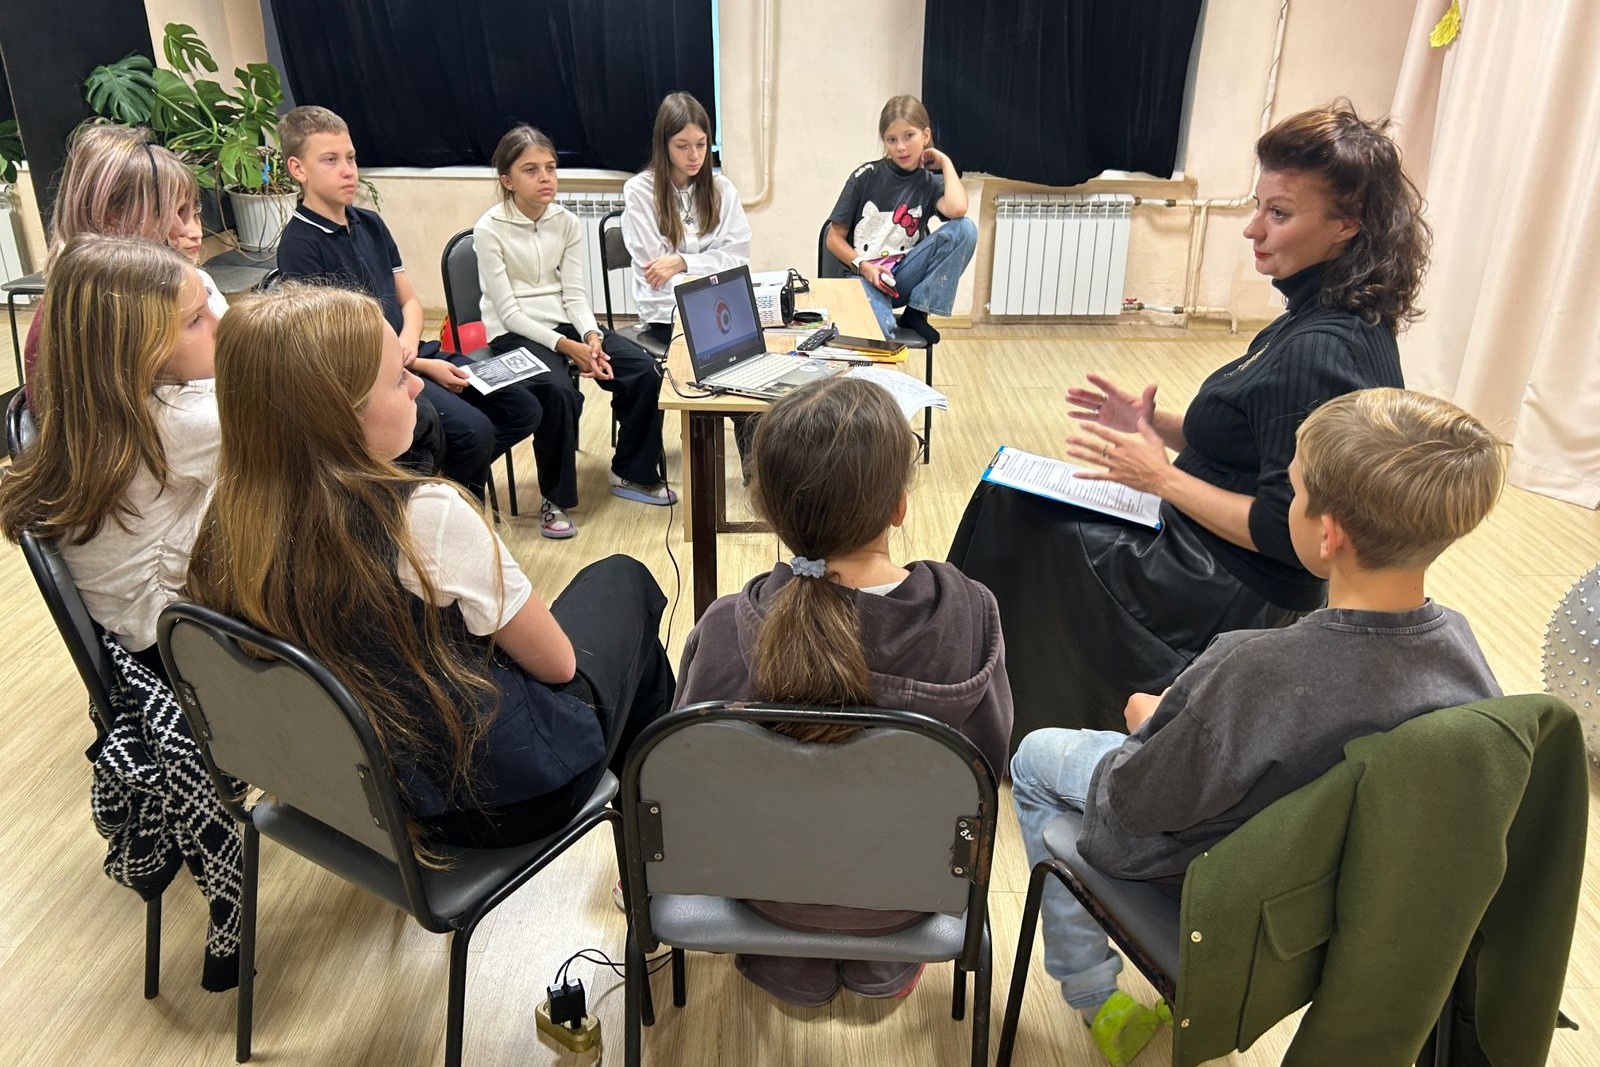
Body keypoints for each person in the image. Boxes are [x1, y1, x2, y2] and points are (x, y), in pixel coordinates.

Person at [1009, 387, 1506, 1065]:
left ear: (1327, 533)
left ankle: (1095, 993)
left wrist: (1150, 723)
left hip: (1207, 878)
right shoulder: (1462, 651)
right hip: (1327, 902)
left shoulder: (1253, 666)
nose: (1285, 502)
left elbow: (1136, 801)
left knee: (1036, 756)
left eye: (1292, 492)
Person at [949, 100, 1433, 741]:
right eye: (1258, 206)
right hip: (1204, 549)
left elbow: (1294, 538)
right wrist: (1162, 425)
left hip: (1222, 586)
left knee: (1015, 512)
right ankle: (995, 701)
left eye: (1279, 213)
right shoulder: (1329, 316)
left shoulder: (1321, 350)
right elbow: (1259, 436)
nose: (1252, 228)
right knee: (1016, 493)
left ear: (1347, 225)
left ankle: (992, 714)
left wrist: (1162, 478)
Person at [185, 282, 676, 850]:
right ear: (338, 416)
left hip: (348, 790)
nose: (419, 383)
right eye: (399, 378)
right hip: (492, 799)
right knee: (623, 582)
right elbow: (558, 665)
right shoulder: (425, 515)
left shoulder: (226, 515)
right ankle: (657, 840)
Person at [674, 376, 1013, 1007]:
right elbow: (985, 773)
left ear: (770, 510)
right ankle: (881, 969)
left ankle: (791, 969)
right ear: (898, 506)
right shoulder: (970, 617)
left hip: (763, 890)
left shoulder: (724, 627)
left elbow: (690, 783)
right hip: (910, 894)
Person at [275, 105, 537, 500]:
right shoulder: (299, 246)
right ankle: (453, 502)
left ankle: (443, 482)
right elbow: (334, 351)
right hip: (374, 374)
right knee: (474, 432)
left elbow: (410, 302)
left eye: (351, 158)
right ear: (298, 169)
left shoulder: (370, 223)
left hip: (412, 354)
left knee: (521, 407)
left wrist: (411, 346)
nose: (348, 170)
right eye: (330, 160)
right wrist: (418, 365)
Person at [0, 235, 220, 676]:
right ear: (142, 348)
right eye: (196, 320)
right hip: (184, 647)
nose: (219, 324)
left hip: (136, 637)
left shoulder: (89, 409)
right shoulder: (181, 422)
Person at [475, 124, 673, 540]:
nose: (545, 177)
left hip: (566, 323)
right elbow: (509, 313)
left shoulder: (565, 221)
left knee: (643, 370)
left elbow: (576, 294)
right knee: (558, 391)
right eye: (531, 170)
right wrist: (567, 347)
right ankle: (555, 499)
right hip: (514, 332)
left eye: (550, 167)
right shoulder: (489, 228)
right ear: (507, 181)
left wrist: (591, 337)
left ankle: (632, 472)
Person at [21, 123, 227, 397]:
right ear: (109, 218)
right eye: (167, 214)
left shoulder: (170, 287)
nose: (186, 230)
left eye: (190, 213)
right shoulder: (105, 314)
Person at [824, 94, 976, 344]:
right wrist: (864, 266)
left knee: (965, 229)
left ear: (925, 136)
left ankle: (916, 312)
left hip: (902, 278)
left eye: (909, 136)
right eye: (891, 140)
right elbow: (833, 238)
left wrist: (946, 162)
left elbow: (958, 209)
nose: (901, 147)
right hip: (862, 277)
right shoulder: (866, 175)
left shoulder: (929, 183)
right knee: (881, 336)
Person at [621, 91, 752, 348]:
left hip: (720, 303)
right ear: (664, 145)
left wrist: (682, 262)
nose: (694, 155)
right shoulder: (640, 191)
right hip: (667, 311)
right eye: (682, 146)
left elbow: (737, 258)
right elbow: (656, 273)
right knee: (725, 346)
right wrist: (710, 271)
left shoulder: (722, 188)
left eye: (701, 144)